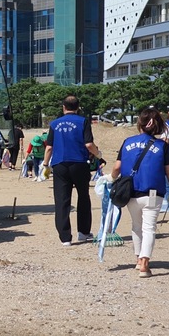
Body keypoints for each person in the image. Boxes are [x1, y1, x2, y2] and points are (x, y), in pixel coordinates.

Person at [102, 108, 169, 277]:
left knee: (136, 226)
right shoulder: (161, 146)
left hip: (130, 192)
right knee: (149, 228)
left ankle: (138, 259)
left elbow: (117, 167)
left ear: (140, 123)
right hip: (152, 193)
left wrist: (110, 179)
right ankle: (145, 262)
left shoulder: (127, 141)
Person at [42, 96, 102, 246]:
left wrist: (45, 165)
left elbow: (49, 147)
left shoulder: (54, 124)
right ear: (78, 107)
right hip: (79, 163)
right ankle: (83, 232)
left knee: (62, 200)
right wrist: (98, 154)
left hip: (60, 164)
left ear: (63, 107)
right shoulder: (83, 121)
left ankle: (65, 237)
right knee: (83, 196)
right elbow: (89, 144)